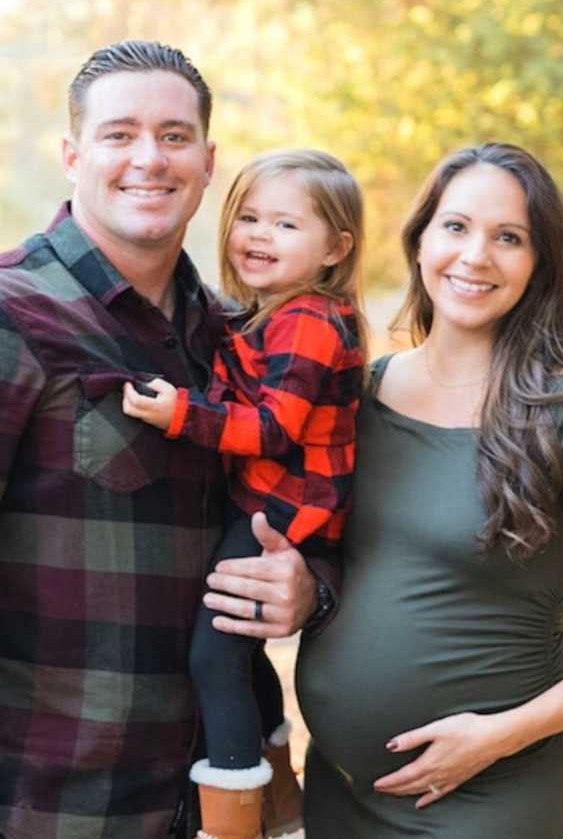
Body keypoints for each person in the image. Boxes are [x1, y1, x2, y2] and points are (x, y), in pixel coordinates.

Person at [0, 41, 338, 839]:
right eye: (119, 135)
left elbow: (314, 491)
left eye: (174, 136)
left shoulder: (241, 335)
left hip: (213, 805)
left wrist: (308, 586)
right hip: (48, 806)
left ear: (208, 160)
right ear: (73, 155)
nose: (148, 159)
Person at [293, 143, 563, 837]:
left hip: (496, 794)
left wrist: (503, 735)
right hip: (341, 789)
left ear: (540, 264)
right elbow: (361, 564)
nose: (475, 256)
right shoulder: (360, 391)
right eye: (455, 227)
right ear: (420, 240)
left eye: (508, 238)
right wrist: (305, 592)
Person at [122, 149, 368, 839]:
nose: (260, 235)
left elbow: (271, 428)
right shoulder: (267, 314)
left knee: (216, 652)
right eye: (250, 218)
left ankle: (232, 822)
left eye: (287, 226)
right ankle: (280, 797)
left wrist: (179, 412)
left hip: (287, 506)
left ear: (334, 249)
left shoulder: (312, 322)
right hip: (263, 497)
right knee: (240, 647)